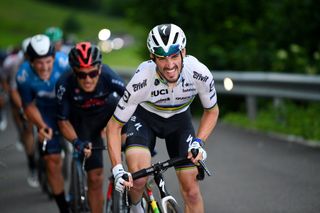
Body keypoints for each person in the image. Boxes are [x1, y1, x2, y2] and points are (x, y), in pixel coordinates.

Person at [106, 23, 219, 213]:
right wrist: (117, 169)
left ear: (183, 51)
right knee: (138, 179)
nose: (169, 65)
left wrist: (199, 142)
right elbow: (114, 126)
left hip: (179, 122)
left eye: (174, 56)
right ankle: (135, 207)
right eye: (162, 58)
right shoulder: (141, 80)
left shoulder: (199, 73)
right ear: (152, 57)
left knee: (191, 192)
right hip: (145, 119)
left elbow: (212, 111)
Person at [56, 42, 126, 213]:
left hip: (106, 114)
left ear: (100, 69)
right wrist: (77, 141)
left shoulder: (109, 76)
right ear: (74, 72)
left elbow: (131, 103)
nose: (88, 79)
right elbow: (63, 121)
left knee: (119, 108)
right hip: (81, 122)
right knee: (95, 178)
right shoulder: (64, 83)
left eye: (92, 73)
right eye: (82, 74)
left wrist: (132, 139)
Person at [16, 34, 70, 213]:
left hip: (67, 104)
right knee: (51, 160)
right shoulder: (23, 75)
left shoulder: (65, 64)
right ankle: (64, 208)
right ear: (30, 61)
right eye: (39, 62)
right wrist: (41, 126)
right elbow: (28, 105)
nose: (45, 67)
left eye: (48, 61)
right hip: (44, 110)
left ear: (54, 57)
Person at [2, 37, 38, 187]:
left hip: (37, 91)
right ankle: (32, 164)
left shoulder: (43, 61)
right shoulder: (14, 63)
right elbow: (12, 88)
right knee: (27, 127)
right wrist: (24, 109)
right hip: (18, 91)